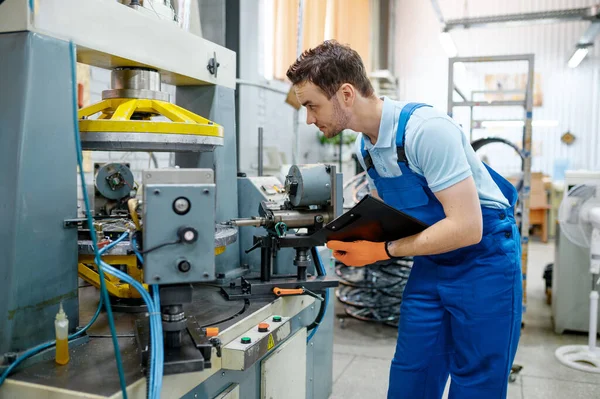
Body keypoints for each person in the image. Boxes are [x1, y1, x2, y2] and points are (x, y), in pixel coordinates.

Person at [286, 40, 522, 399]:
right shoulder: (364, 146)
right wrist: (351, 233)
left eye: (311, 105)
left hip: (484, 261)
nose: (309, 117)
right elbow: (394, 205)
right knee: (413, 373)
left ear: (346, 94)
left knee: (476, 381)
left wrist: (380, 250)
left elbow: (467, 228)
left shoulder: (425, 131)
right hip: (432, 262)